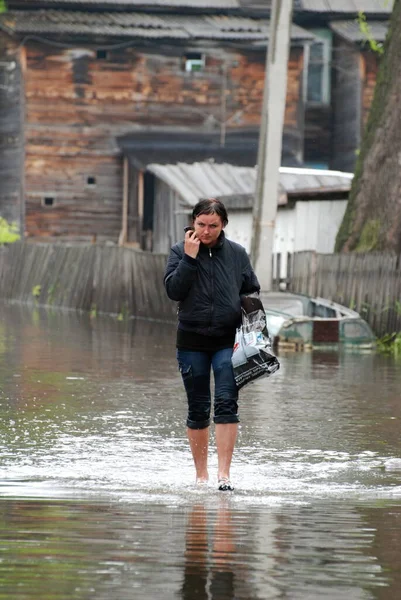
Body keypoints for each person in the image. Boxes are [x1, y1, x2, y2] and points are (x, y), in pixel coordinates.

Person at [164, 198, 260, 491]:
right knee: (198, 407)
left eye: (213, 226)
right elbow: (173, 290)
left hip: (227, 341)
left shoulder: (237, 254)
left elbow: (251, 289)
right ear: (193, 222)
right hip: (191, 341)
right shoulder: (179, 251)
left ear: (223, 225)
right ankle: (201, 475)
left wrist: (251, 327)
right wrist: (189, 259)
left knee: (227, 402)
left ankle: (224, 475)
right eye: (201, 224)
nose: (206, 231)